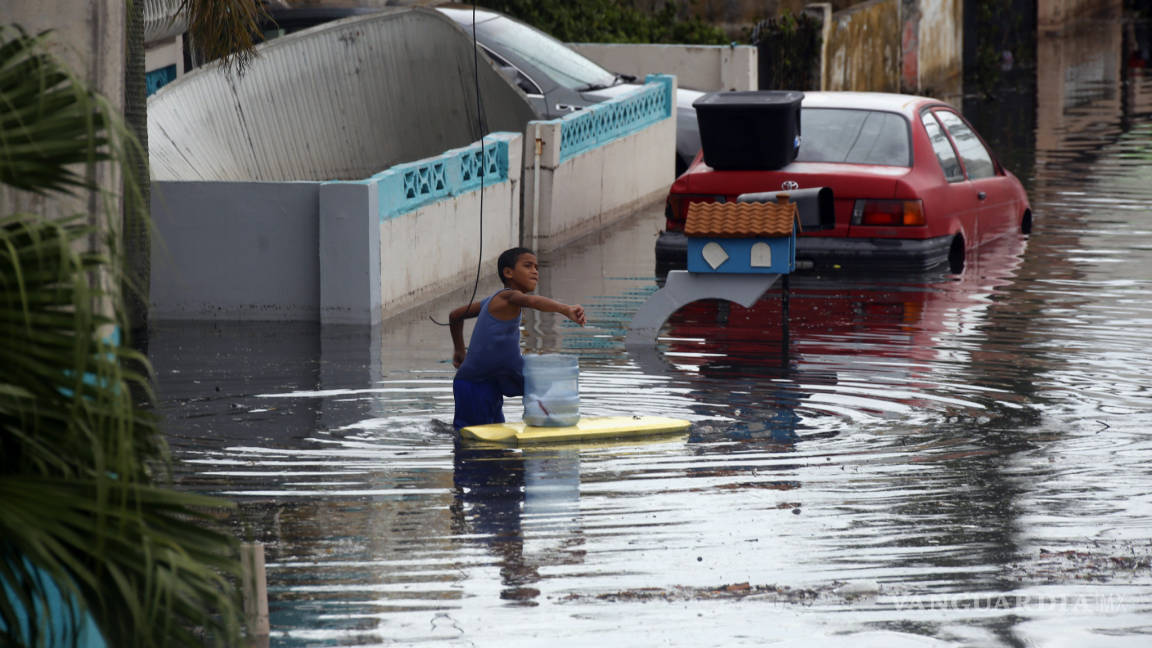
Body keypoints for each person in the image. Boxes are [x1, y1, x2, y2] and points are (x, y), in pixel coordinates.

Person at [449, 247, 586, 430]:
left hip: (492, 383)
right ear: (508, 272)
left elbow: (455, 315)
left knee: (494, 435)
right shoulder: (507, 296)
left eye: (537, 267)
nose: (535, 271)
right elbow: (533, 302)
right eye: (528, 266)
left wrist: (459, 350)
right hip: (474, 385)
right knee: (472, 442)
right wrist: (565, 309)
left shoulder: (490, 301)